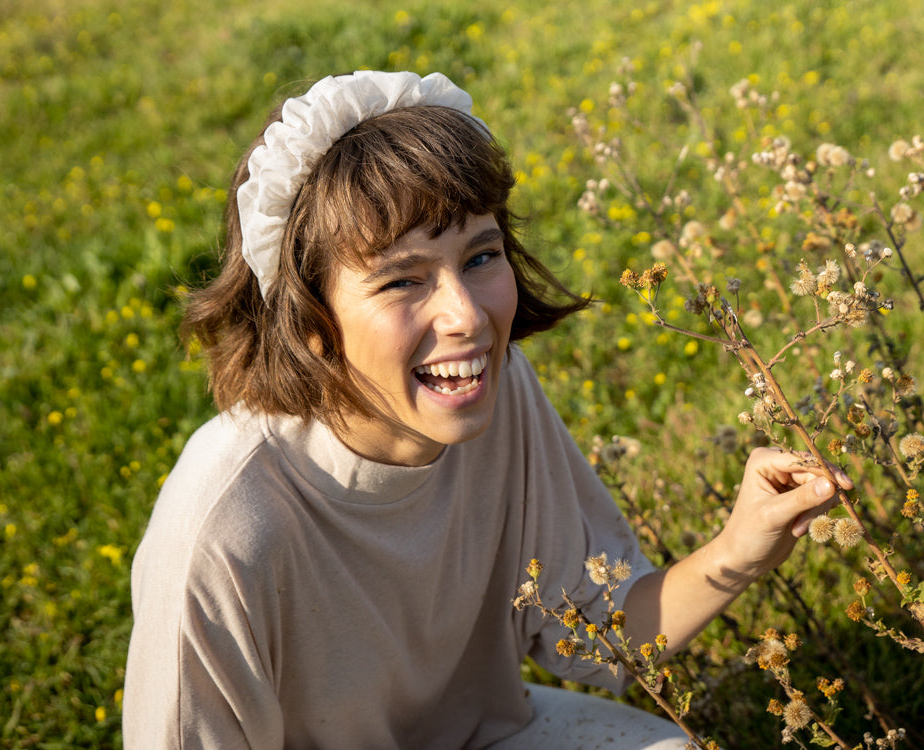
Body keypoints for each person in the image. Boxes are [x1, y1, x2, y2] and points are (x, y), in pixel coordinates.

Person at [123, 70, 852, 749]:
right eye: (401, 281)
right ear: (309, 324)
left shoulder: (492, 393)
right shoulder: (225, 530)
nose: (466, 317)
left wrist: (739, 549)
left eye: (479, 256)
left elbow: (609, 633)